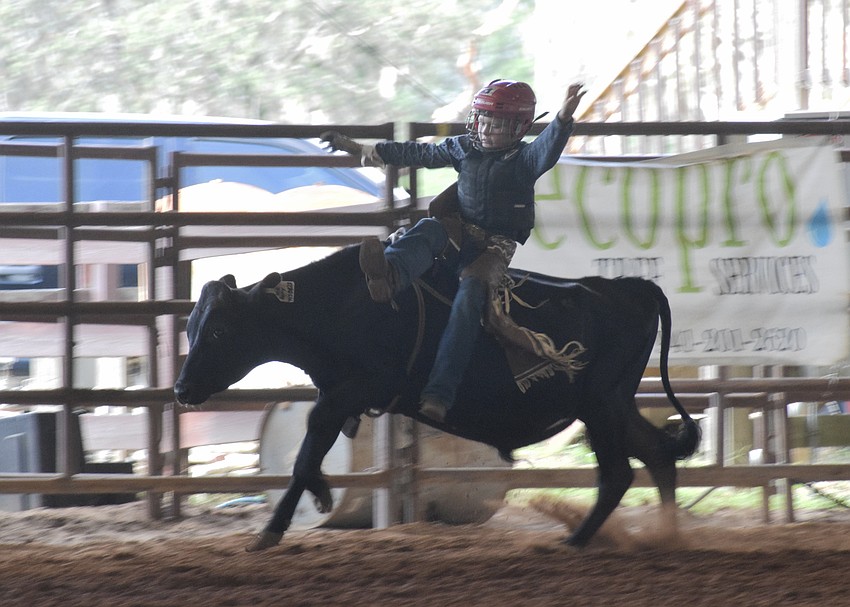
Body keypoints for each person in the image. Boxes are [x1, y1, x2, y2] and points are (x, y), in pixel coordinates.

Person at [321, 80, 586, 423]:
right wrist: (360, 147)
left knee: (470, 294)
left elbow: (546, 148)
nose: (488, 131)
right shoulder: (464, 148)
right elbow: (421, 154)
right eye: (484, 121)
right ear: (475, 120)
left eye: (499, 125)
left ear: (519, 128)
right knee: (427, 230)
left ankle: (439, 393)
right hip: (459, 230)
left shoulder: (525, 158)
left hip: (495, 247)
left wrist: (564, 116)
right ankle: (390, 275)